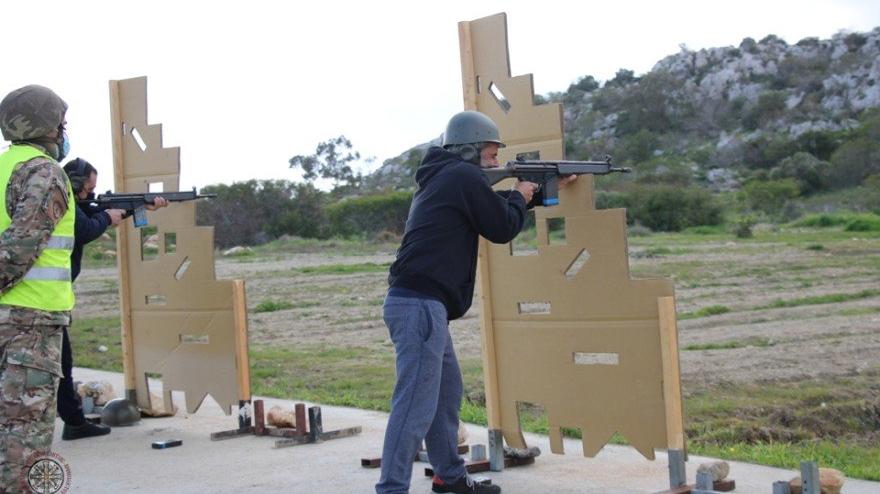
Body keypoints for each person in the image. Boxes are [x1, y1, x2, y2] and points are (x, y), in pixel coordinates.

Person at [376, 111, 576, 494]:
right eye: (489, 155)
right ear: (467, 152)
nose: (496, 162)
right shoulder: (462, 177)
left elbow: (490, 212)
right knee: (415, 405)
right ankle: (391, 488)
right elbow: (501, 227)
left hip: (420, 304)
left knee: (444, 396)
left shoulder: (446, 177)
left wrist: (532, 195)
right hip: (420, 306)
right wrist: (519, 192)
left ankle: (449, 477)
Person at [0, 84, 76, 492]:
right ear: (47, 127)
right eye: (62, 124)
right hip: (28, 327)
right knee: (23, 447)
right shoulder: (44, 173)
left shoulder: (4, 167)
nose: (65, 132)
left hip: (13, 322)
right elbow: (19, 247)